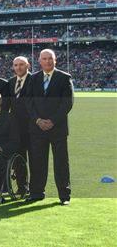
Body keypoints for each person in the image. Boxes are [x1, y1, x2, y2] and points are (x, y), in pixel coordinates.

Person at [25, 49, 73, 205]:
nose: (47, 61)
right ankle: (37, 193)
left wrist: (52, 121)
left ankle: (64, 196)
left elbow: (67, 103)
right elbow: (28, 102)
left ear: (55, 60)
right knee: (37, 162)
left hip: (57, 128)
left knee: (61, 162)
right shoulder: (33, 78)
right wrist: (37, 120)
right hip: (37, 128)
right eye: (44, 59)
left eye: (50, 58)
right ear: (39, 61)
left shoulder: (64, 78)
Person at [8, 56, 32, 196]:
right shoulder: (11, 82)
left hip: (32, 127)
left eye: (21, 64)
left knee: (35, 160)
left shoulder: (34, 80)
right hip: (16, 129)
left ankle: (35, 188)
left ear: (27, 65)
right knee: (19, 160)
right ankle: (22, 187)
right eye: (16, 65)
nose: (18, 67)